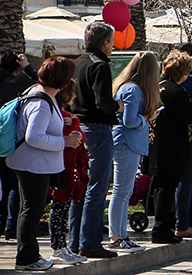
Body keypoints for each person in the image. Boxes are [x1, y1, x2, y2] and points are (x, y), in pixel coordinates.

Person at [9, 57, 82, 271]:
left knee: (30, 209)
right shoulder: (41, 103)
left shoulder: (41, 96)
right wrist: (64, 142)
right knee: (32, 210)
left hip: (32, 163)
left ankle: (29, 255)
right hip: (33, 164)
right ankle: (27, 258)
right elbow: (34, 137)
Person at [71, 21, 121, 260]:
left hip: (79, 128)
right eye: (112, 41)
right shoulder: (100, 66)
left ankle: (74, 241)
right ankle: (90, 242)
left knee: (79, 187)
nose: (113, 46)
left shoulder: (78, 62)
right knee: (97, 188)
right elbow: (104, 102)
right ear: (104, 42)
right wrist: (117, 106)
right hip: (98, 129)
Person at [153, 50, 192, 244]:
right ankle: (162, 229)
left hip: (158, 143)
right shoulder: (177, 92)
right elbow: (189, 116)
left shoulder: (159, 87)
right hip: (174, 145)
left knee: (161, 187)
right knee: (168, 187)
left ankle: (161, 226)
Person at [109, 52, 161, 250]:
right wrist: (147, 118)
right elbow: (129, 121)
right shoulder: (133, 90)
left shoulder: (130, 88)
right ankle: (117, 236)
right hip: (126, 143)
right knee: (121, 191)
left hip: (128, 143)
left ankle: (121, 235)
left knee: (125, 191)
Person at [0, 52, 36, 240]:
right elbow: (43, 83)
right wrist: (27, 66)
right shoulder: (20, 84)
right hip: (13, 142)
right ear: (16, 67)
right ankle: (10, 225)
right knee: (14, 185)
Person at [49, 83, 87, 266]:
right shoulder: (63, 117)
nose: (74, 97)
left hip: (68, 165)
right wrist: (76, 123)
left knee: (63, 208)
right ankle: (57, 247)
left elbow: (81, 138)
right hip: (63, 167)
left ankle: (62, 245)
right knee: (60, 208)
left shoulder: (67, 116)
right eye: (72, 93)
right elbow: (75, 137)